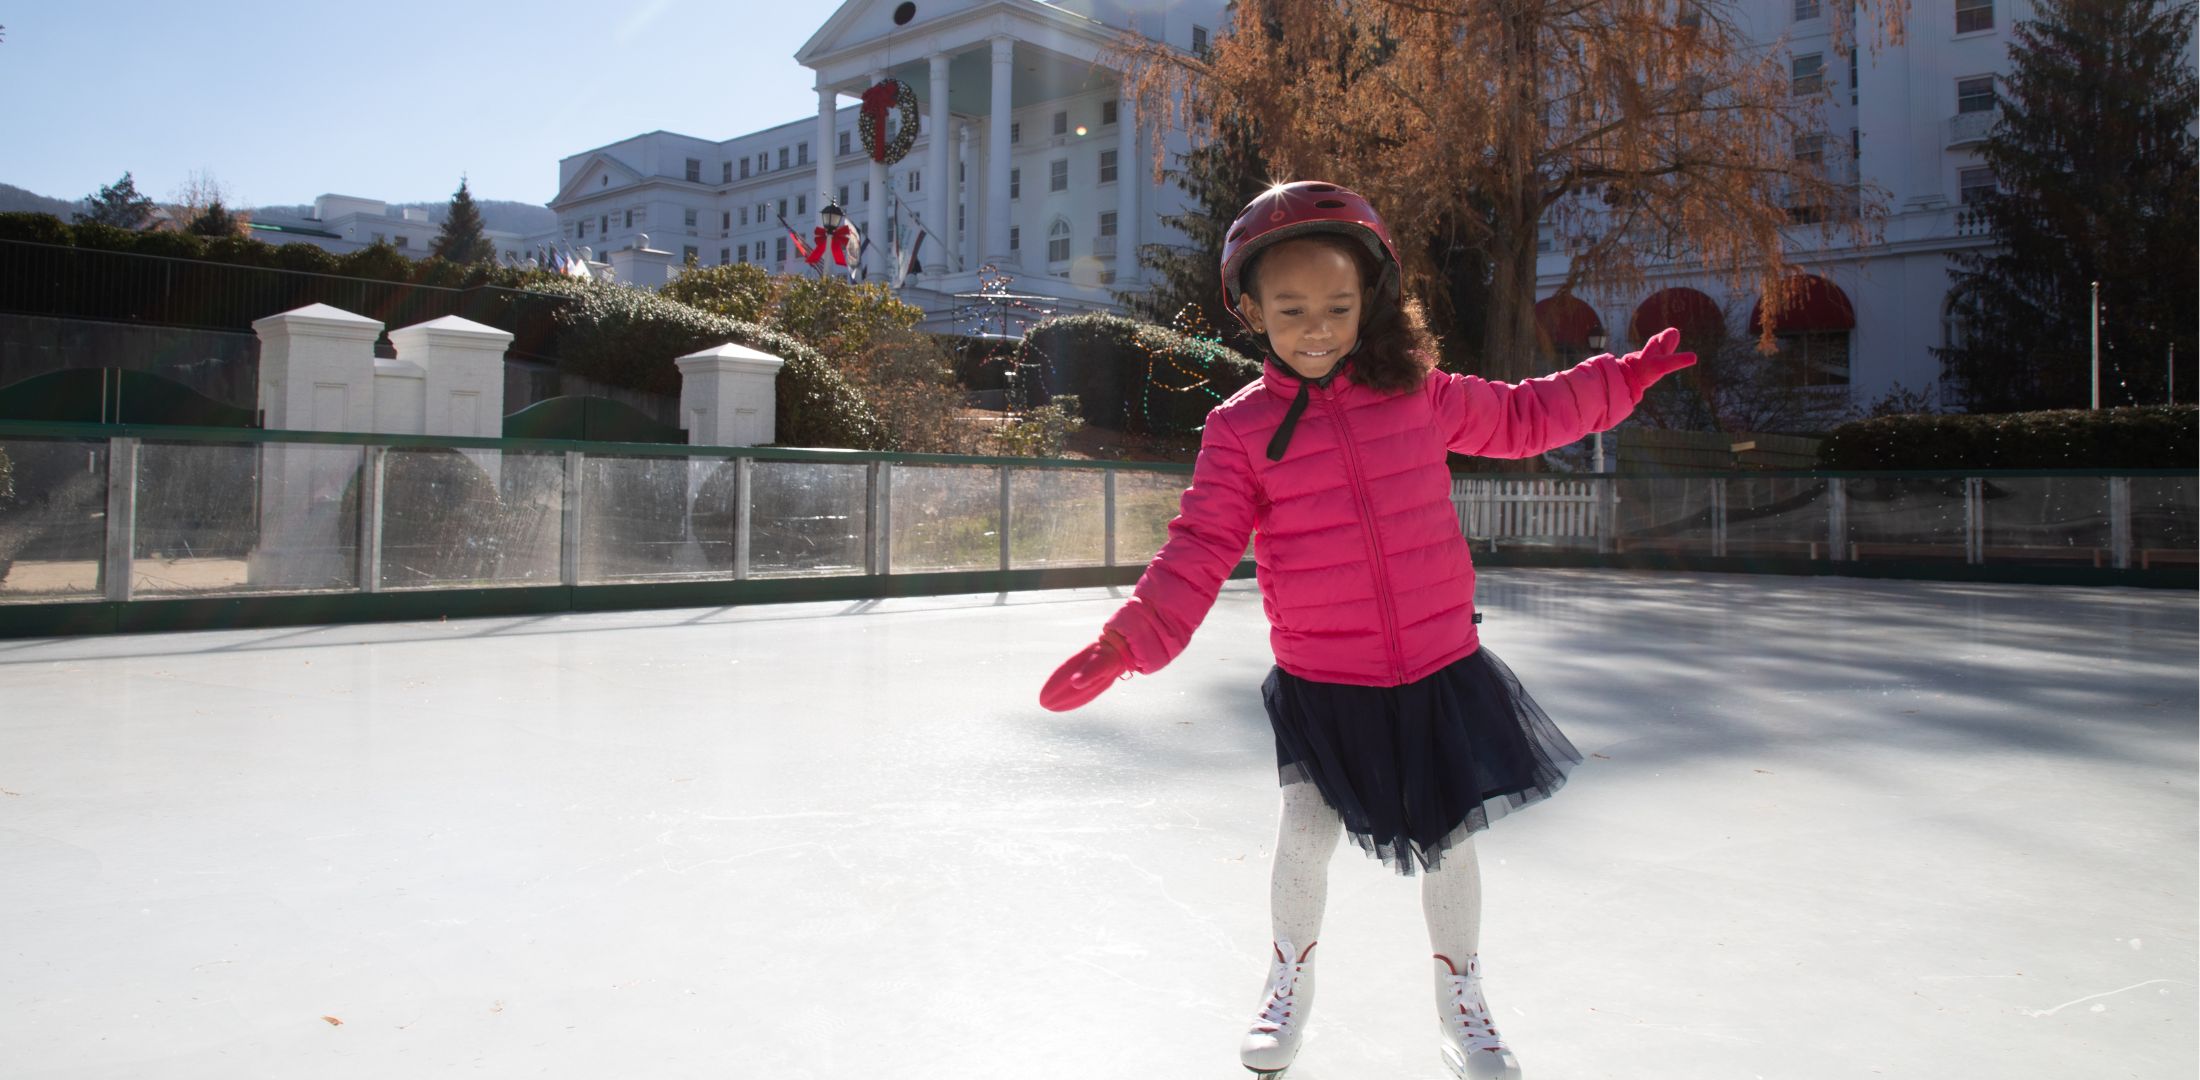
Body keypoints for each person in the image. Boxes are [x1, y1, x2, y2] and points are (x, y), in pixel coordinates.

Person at [1038, 182, 1696, 1078]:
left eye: (1339, 306)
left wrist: (1623, 380)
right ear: (1253, 310)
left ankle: (1462, 1000)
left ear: (1371, 302)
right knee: (1304, 838)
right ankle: (1287, 982)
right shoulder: (1240, 431)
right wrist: (1129, 639)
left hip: (1437, 668)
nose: (1317, 327)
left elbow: (1523, 417)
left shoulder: (1418, 394)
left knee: (1451, 849)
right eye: (1292, 308)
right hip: (1324, 680)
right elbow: (1199, 545)